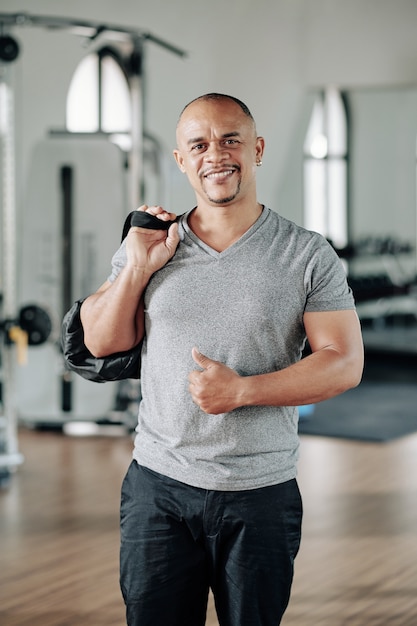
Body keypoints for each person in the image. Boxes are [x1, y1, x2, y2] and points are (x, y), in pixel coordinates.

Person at [80, 93, 364, 626]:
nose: (217, 154)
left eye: (231, 140)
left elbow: (344, 362)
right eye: (200, 144)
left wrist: (241, 392)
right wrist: (138, 266)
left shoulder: (305, 253)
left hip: (260, 493)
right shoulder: (149, 242)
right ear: (181, 160)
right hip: (158, 487)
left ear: (256, 149)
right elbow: (100, 342)